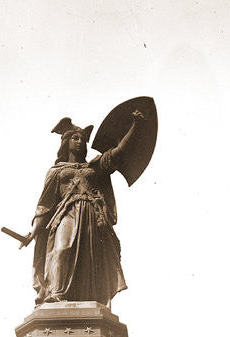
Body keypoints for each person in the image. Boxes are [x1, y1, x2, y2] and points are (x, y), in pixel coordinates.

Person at [20, 110, 146, 306]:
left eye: (83, 139)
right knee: (61, 250)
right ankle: (56, 292)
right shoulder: (57, 171)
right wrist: (33, 231)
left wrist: (136, 125)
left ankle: (91, 296)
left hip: (92, 216)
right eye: (75, 138)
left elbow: (119, 151)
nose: (80, 142)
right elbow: (44, 204)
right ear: (66, 142)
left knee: (91, 260)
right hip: (67, 214)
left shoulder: (95, 167)